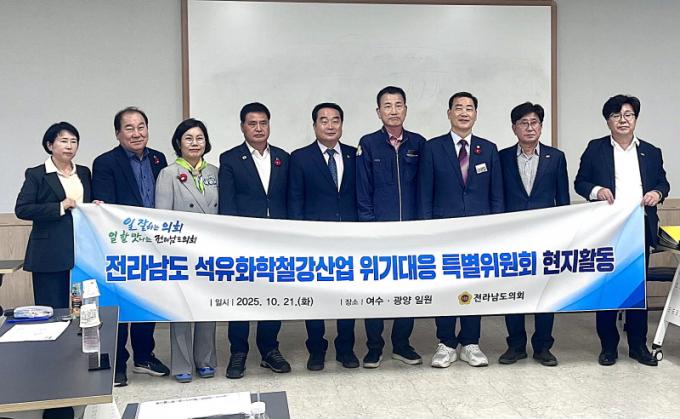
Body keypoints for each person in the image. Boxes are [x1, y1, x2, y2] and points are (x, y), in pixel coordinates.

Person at [574, 94, 670, 367]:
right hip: (608, 229)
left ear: (635, 119)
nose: (623, 120)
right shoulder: (596, 149)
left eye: (628, 115)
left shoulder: (651, 151)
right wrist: (596, 191)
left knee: (637, 290)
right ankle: (608, 347)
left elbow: (663, 183)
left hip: (639, 228)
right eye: (616, 115)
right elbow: (581, 182)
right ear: (608, 121)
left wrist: (657, 193)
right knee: (607, 289)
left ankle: (638, 346)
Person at [418, 91, 504, 368]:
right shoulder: (433, 148)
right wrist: (427, 231)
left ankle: (470, 343)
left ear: (476, 114)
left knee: (473, 286)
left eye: (469, 108)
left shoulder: (488, 149)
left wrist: (497, 230)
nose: (464, 112)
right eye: (458, 107)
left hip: (479, 234)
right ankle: (445, 343)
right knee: (445, 285)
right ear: (449, 114)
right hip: (443, 233)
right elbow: (424, 193)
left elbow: (496, 195)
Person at [15, 122, 91, 419]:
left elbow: (87, 207)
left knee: (79, 314)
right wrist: (59, 206)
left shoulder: (84, 172)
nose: (69, 146)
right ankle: (51, 382)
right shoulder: (37, 174)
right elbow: (23, 209)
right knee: (52, 316)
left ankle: (77, 375)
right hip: (49, 256)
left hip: (82, 255)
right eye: (63, 141)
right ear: (50, 145)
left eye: (73, 141)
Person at [92, 106, 169, 386]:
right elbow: (105, 206)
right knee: (120, 305)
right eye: (129, 128)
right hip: (121, 247)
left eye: (141, 127)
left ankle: (144, 357)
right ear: (118, 133)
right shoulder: (105, 162)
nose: (137, 133)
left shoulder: (159, 159)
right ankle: (117, 363)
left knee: (147, 303)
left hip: (154, 246)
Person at [218, 102, 291, 379]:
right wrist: (233, 237)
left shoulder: (283, 157)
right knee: (242, 296)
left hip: (278, 240)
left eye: (263, 123)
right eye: (252, 124)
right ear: (242, 127)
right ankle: (238, 351)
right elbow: (228, 203)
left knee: (273, 294)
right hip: (244, 241)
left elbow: (289, 198)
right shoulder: (230, 159)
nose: (259, 129)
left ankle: (269, 349)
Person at [356, 86, 425, 368]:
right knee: (376, 290)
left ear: (406, 109)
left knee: (407, 290)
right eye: (387, 105)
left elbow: (424, 188)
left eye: (398, 105)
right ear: (378, 112)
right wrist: (369, 227)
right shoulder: (368, 144)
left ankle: (402, 344)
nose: (393, 111)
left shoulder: (419, 143)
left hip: (411, 233)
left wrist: (422, 227)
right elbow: (363, 190)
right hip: (378, 233)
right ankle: (374, 347)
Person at [498, 102, 569, 367]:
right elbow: (498, 197)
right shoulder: (501, 157)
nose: (529, 127)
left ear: (541, 126)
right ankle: (515, 345)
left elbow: (562, 199)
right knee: (513, 292)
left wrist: (563, 234)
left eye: (534, 122)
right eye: (523, 123)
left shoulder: (556, 157)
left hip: (546, 237)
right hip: (511, 236)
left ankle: (543, 346)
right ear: (514, 127)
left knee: (545, 292)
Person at [288, 102, 358, 371]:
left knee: (347, 295)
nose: (330, 126)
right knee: (315, 295)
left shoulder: (354, 155)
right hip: (313, 240)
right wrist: (298, 235)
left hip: (349, 237)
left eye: (335, 120)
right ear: (314, 125)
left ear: (342, 124)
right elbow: (295, 199)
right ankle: (316, 348)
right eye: (324, 120)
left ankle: (346, 348)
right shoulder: (300, 157)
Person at [155, 118, 218, 383]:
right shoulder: (168, 173)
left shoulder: (215, 172)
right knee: (181, 308)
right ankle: (181, 364)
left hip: (211, 250)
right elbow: (162, 218)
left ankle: (206, 360)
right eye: (188, 138)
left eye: (199, 138)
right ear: (178, 143)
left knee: (207, 305)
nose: (194, 143)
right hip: (180, 251)